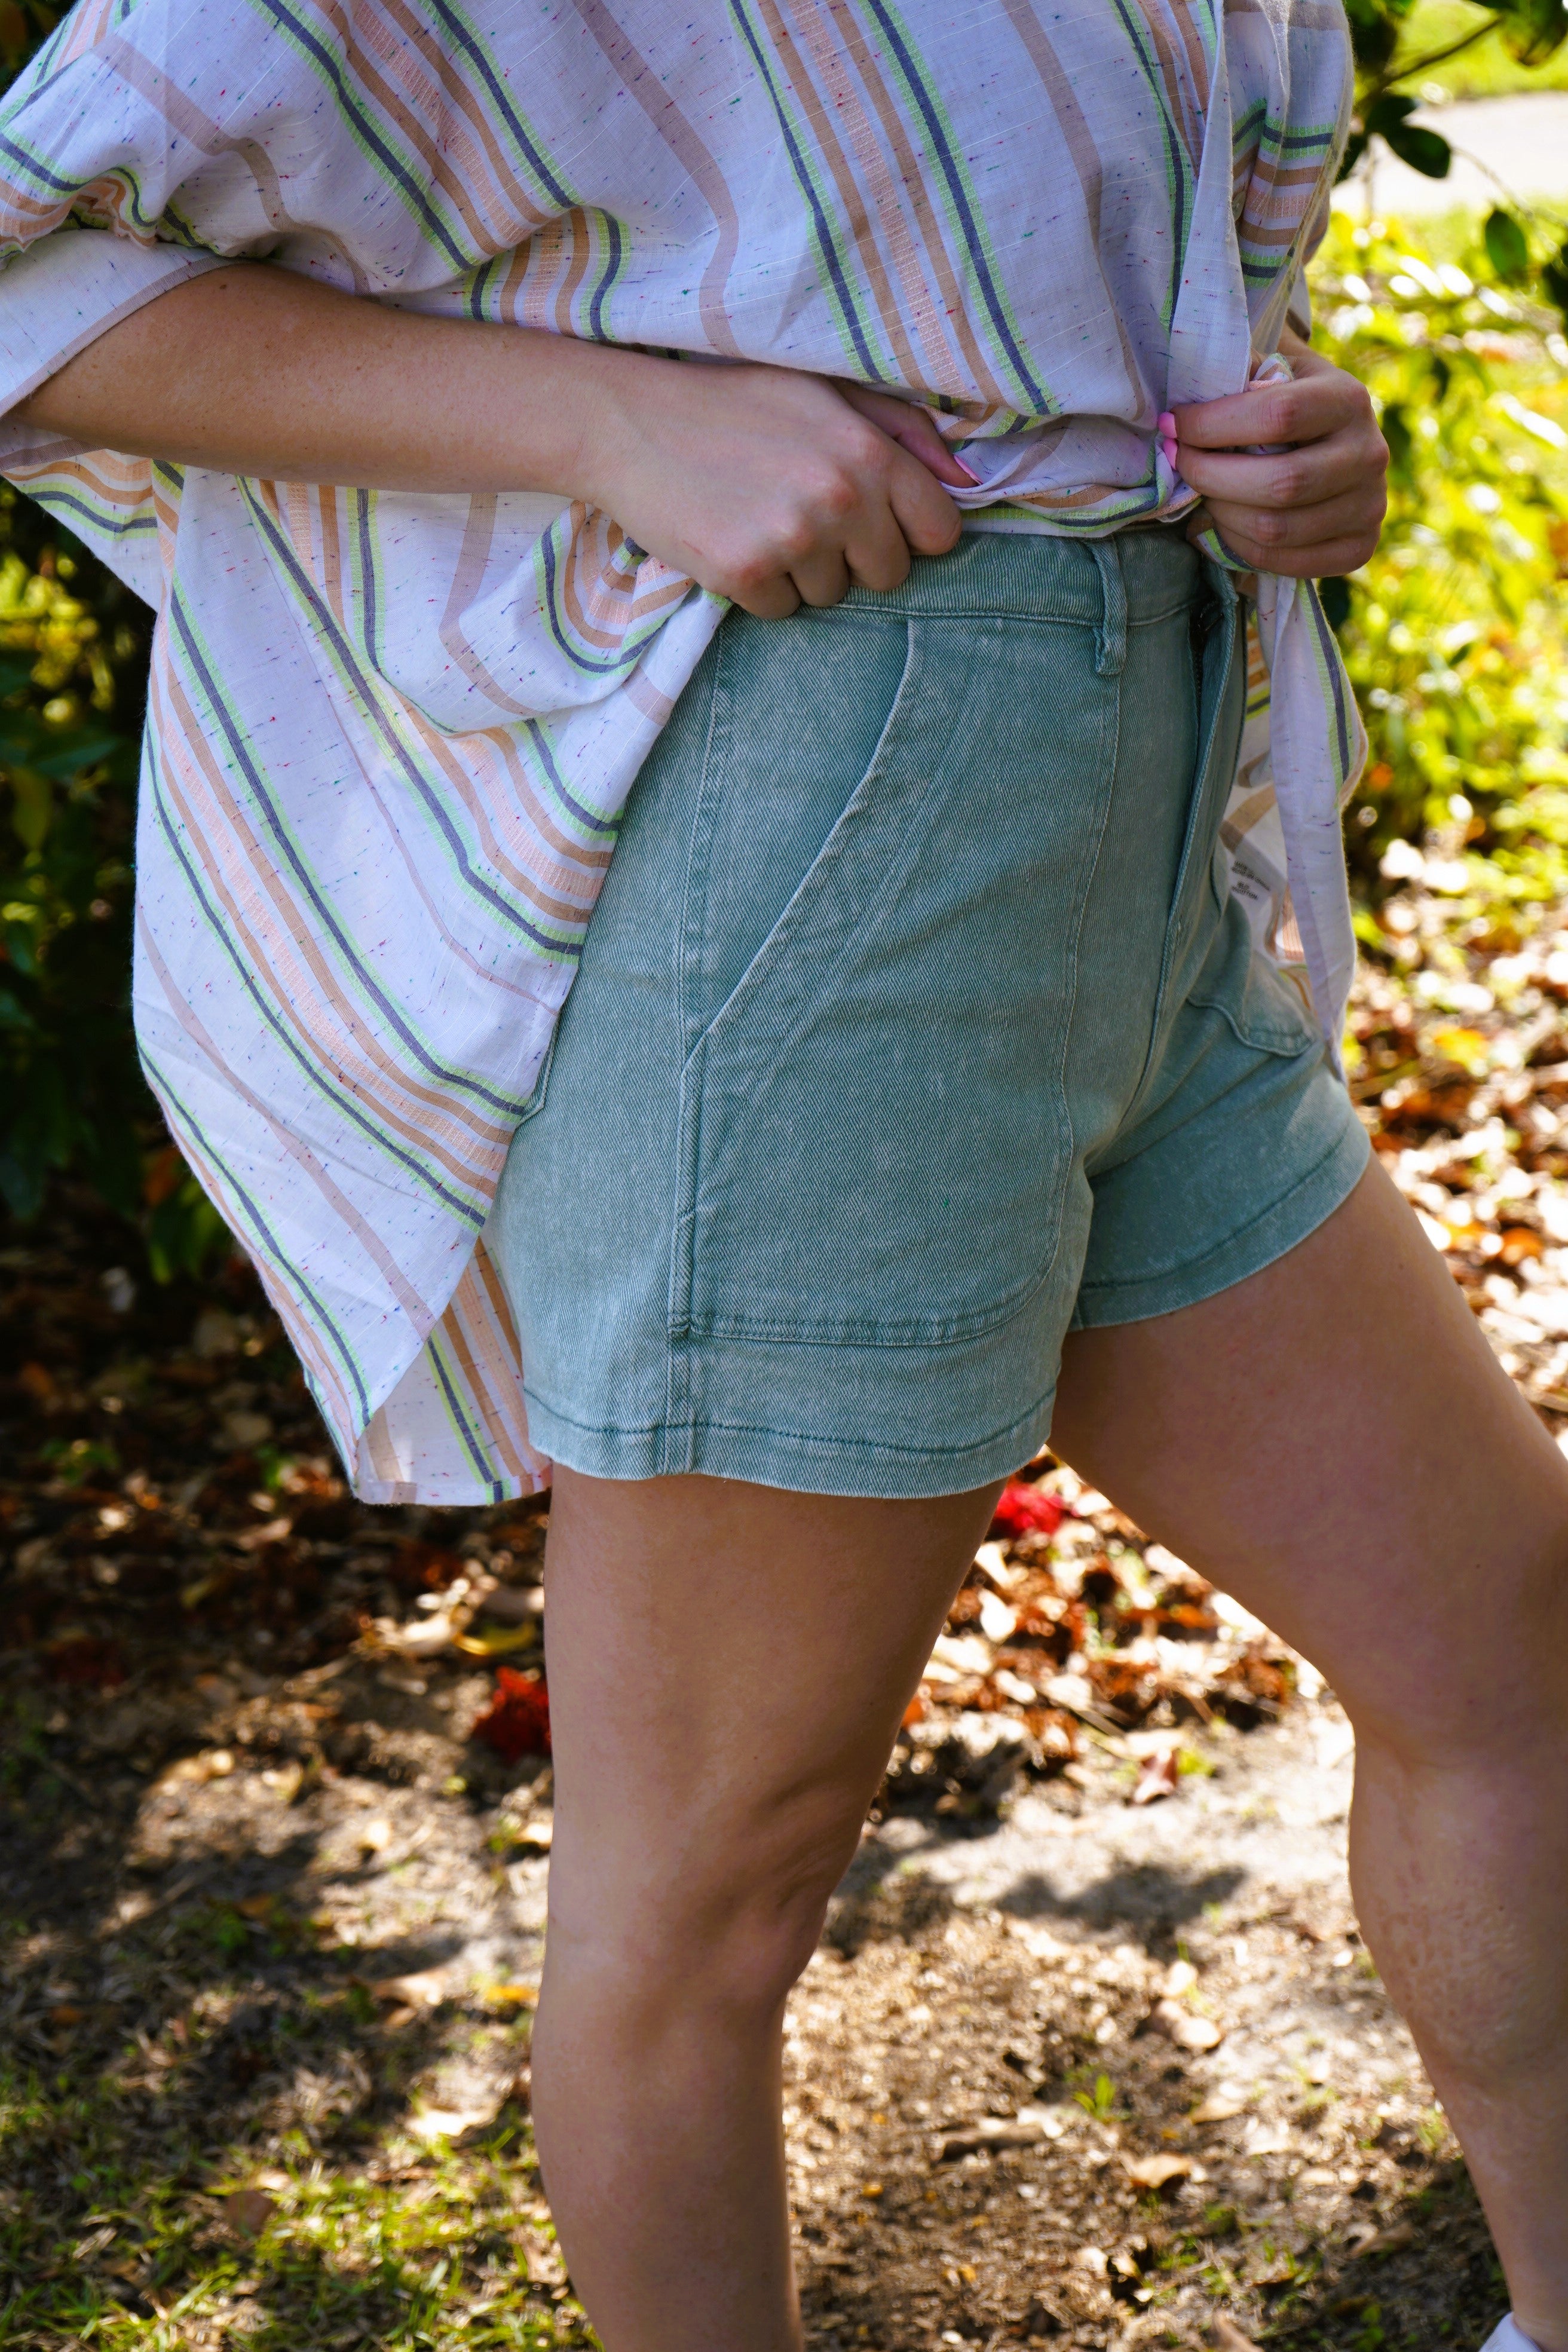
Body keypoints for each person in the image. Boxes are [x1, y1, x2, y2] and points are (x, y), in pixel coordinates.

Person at [0, 5, 1561, 2347]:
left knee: (1507, 1652)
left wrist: (1285, 433)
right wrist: (608, 419)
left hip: (1121, 808)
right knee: (704, 1903)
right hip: (814, 829)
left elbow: (1028, 234)